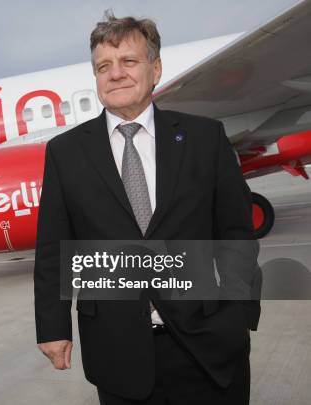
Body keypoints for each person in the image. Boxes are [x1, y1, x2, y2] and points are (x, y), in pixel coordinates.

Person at [33, 11, 261, 405]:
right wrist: (52, 327)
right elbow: (54, 247)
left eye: (128, 61)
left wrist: (239, 314)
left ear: (155, 69)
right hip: (117, 350)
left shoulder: (204, 138)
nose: (115, 74)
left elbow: (236, 233)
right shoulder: (66, 153)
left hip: (209, 344)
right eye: (104, 66)